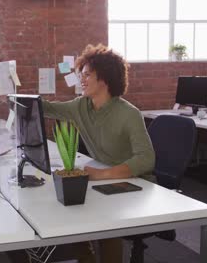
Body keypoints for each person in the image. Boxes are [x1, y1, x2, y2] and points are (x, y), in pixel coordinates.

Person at [42, 44, 155, 262]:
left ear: (104, 79)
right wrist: (14, 97)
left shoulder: (129, 114)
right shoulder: (81, 106)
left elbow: (147, 158)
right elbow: (48, 108)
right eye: (80, 74)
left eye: (87, 75)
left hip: (134, 185)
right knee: (69, 208)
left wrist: (102, 174)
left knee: (105, 219)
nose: (81, 80)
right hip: (101, 180)